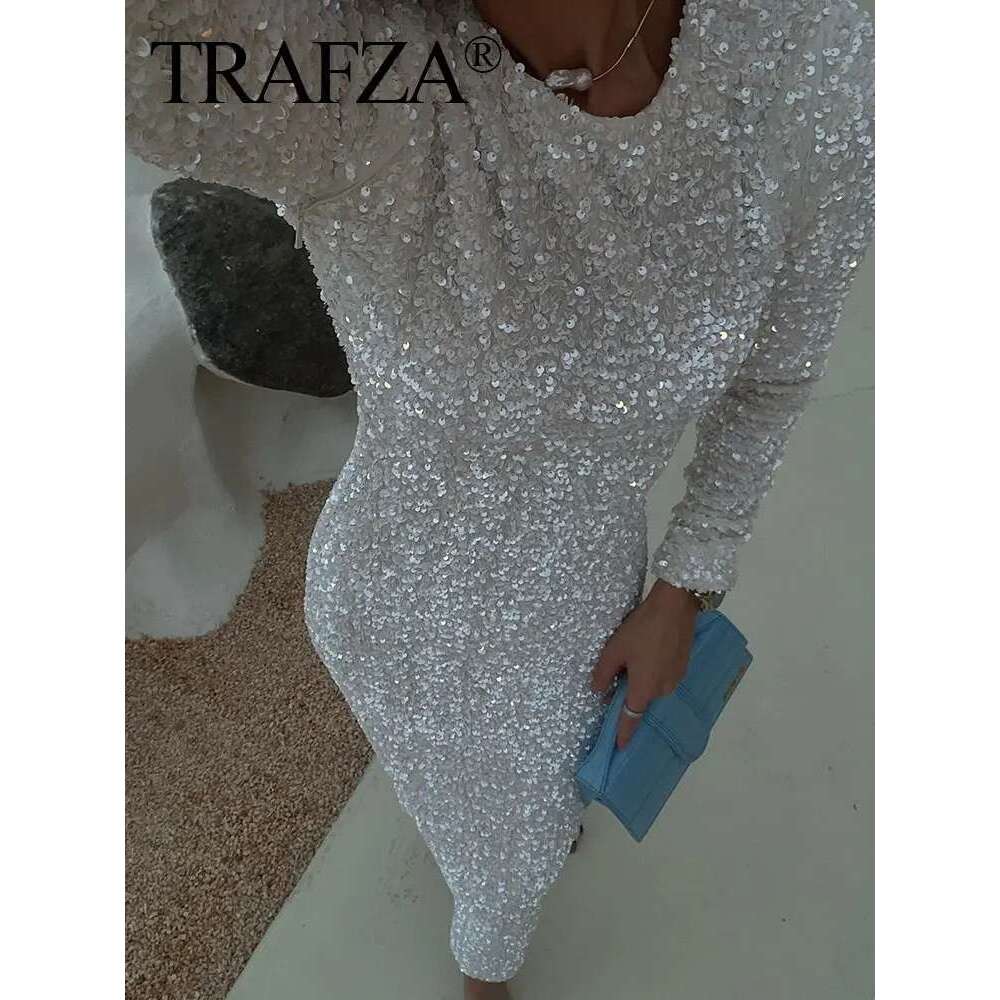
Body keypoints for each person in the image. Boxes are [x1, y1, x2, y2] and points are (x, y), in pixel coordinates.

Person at [125, 1, 875, 996]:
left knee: (531, 809)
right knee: (497, 856)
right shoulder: (361, 74)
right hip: (391, 602)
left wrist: (683, 585)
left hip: (585, 598)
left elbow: (771, 380)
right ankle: (487, 965)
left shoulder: (812, 42)